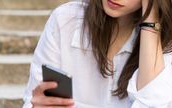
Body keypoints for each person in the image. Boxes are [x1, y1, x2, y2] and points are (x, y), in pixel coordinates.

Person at [23, 0, 172, 108]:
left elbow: (154, 104)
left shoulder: (166, 40)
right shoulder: (65, 19)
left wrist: (151, 17)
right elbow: (32, 99)